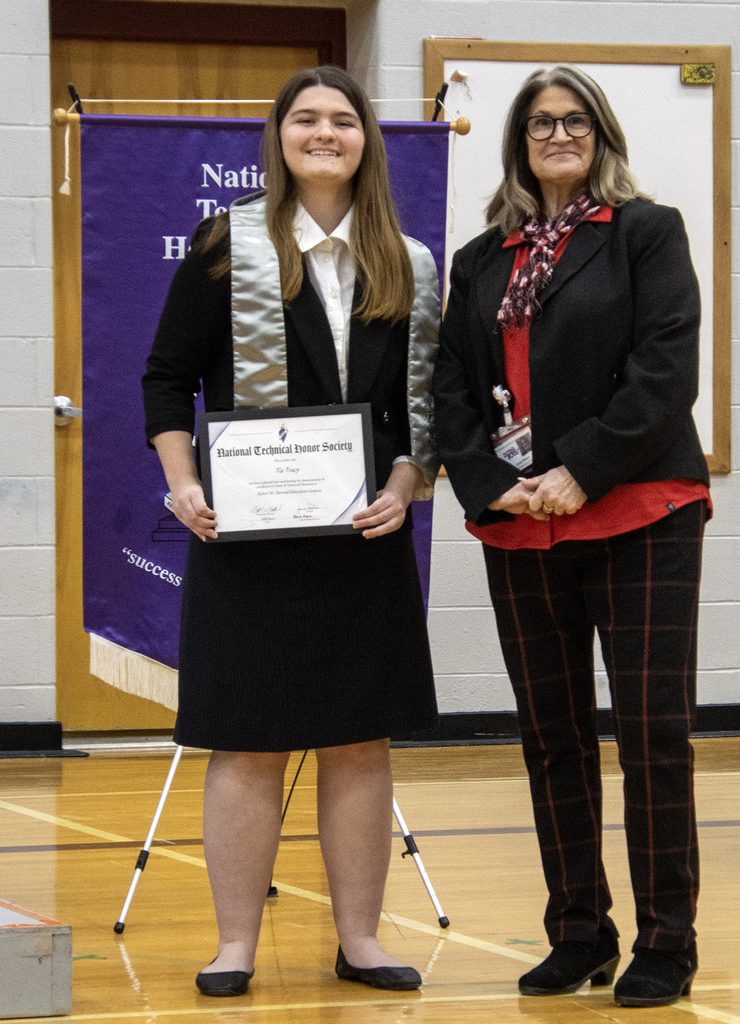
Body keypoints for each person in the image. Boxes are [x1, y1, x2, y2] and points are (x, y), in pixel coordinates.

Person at [142, 66, 440, 996]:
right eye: (304, 119)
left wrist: (405, 482)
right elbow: (165, 378)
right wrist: (184, 485)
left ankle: (362, 942)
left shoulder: (409, 261)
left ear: (366, 141)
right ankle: (235, 946)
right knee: (248, 740)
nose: (324, 133)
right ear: (277, 139)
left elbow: (421, 406)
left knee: (359, 739)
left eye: (342, 120)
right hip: (249, 541)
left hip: (361, 539)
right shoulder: (226, 248)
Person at [433, 65, 711, 1008]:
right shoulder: (479, 260)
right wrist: (488, 483)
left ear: (602, 133)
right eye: (541, 122)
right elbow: (453, 391)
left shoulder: (646, 232)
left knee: (651, 735)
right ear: (517, 142)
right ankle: (580, 933)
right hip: (523, 528)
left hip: (641, 512)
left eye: (576, 119)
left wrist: (580, 467)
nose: (560, 134)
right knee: (552, 740)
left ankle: (667, 942)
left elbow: (666, 369)